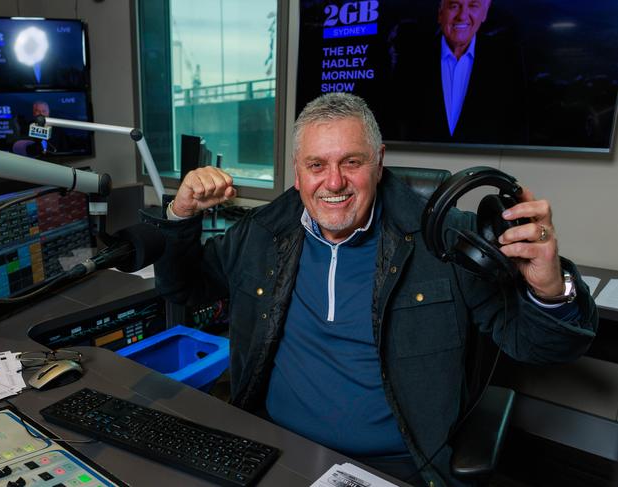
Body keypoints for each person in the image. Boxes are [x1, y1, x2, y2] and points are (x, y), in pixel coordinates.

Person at [144, 93, 597, 487]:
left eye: (352, 162)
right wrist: (180, 214)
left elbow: (541, 347)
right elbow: (183, 289)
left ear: (378, 163)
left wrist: (551, 289)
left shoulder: (448, 241)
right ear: (298, 174)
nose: (334, 182)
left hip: (394, 467)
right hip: (274, 447)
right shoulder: (263, 234)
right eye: (316, 165)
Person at [390, 0, 527, 145]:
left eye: (473, 6)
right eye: (454, 6)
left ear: (484, 13)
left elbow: (518, 124)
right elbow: (397, 118)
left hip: (486, 164)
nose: (462, 16)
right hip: (420, 163)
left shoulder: (507, 57)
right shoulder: (411, 58)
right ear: (440, 13)